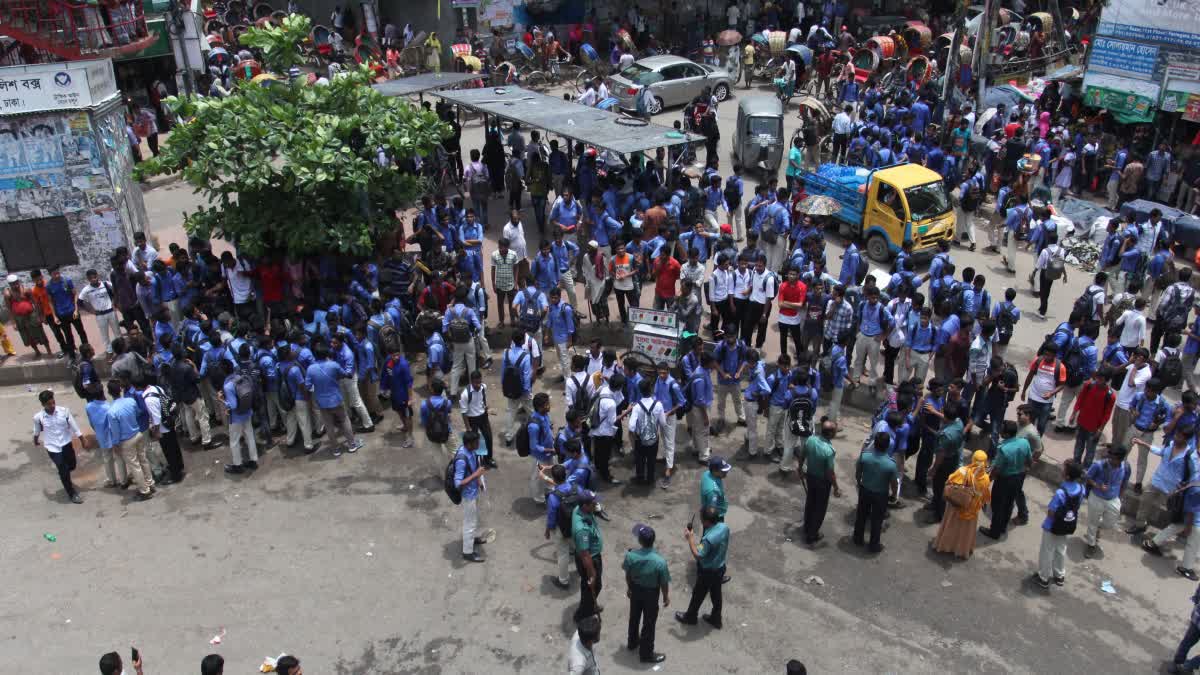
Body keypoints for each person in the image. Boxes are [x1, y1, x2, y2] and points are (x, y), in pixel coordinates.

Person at [1130, 427, 1198, 537]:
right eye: (1176, 434)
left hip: (1171, 489)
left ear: (1186, 439)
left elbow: (1194, 474)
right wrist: (1143, 443)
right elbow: (1161, 452)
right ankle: (1140, 525)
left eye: (1179, 437)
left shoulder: (1190, 455)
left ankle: (1163, 537)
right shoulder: (1171, 444)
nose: (1176, 437)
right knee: (1144, 503)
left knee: (1171, 513)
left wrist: (1184, 486)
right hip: (1156, 481)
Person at [1032, 460, 1085, 590]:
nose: (1062, 470)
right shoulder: (1081, 489)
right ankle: (1059, 575)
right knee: (1061, 549)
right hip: (1068, 524)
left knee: (1047, 550)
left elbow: (1051, 512)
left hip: (1052, 526)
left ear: (1067, 476)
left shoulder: (1060, 493)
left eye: (1064, 469)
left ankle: (1043, 577)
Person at [931, 449, 993, 560]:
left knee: (951, 526)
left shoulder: (963, 471)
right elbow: (984, 496)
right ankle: (961, 550)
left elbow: (949, 483)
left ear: (973, 459)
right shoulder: (986, 478)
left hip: (956, 507)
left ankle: (945, 546)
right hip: (972, 510)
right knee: (965, 532)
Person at [675, 505, 729, 629]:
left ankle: (691, 617)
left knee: (698, 594)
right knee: (716, 595)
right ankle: (716, 618)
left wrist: (690, 538)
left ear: (706, 521)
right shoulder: (724, 527)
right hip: (720, 567)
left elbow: (698, 555)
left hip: (708, 572)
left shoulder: (709, 539)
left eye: (701, 518)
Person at [622, 523, 669, 664]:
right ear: (653, 541)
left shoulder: (630, 556)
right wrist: (666, 596)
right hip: (651, 594)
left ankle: (632, 642)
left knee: (634, 617)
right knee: (649, 623)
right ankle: (646, 654)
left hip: (636, 590)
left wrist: (629, 587)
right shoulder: (660, 562)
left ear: (640, 541)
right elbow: (664, 582)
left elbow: (627, 574)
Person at [980, 420, 1032, 539]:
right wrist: (1022, 470)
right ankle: (1003, 527)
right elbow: (1029, 461)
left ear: (1007, 434)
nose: (1000, 431)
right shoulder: (1024, 442)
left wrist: (987, 481)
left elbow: (997, 469)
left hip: (1004, 480)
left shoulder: (1004, 449)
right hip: (1018, 478)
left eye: (1002, 430)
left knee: (998, 506)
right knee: (1009, 504)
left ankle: (994, 532)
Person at [32, 389, 85, 504]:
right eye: (49, 404)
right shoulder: (38, 417)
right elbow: (36, 431)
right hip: (53, 448)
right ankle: (71, 493)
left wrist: (82, 438)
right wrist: (35, 441)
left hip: (66, 443)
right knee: (63, 470)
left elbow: (74, 425)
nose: (52, 406)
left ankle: (64, 473)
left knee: (72, 465)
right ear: (43, 404)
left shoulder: (64, 411)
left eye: (53, 402)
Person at [106, 379, 154, 500]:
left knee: (135, 466)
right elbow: (138, 413)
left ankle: (144, 491)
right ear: (120, 389)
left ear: (110, 393)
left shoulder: (112, 412)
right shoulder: (131, 401)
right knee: (143, 460)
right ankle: (150, 483)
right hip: (138, 434)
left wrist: (115, 445)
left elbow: (115, 432)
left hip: (126, 441)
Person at [798, 418, 841, 544]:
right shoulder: (829, 451)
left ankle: (807, 527)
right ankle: (812, 535)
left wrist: (800, 468)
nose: (836, 433)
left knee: (810, 502)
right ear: (831, 434)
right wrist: (836, 487)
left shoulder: (811, 440)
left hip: (810, 477)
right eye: (835, 431)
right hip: (822, 483)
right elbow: (830, 473)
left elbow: (802, 454)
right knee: (819, 508)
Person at [1083, 445, 1130, 559]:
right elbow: (1087, 477)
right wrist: (1097, 486)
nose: (1111, 460)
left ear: (1121, 459)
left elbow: (1124, 482)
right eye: (1110, 456)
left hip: (1113, 499)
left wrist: (1121, 497)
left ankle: (1094, 530)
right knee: (1092, 522)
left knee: (1109, 523)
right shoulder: (1099, 465)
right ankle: (1091, 544)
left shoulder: (1126, 467)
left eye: (1114, 458)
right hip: (1097, 497)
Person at [854, 432, 897, 553]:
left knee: (861, 515)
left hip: (865, 490)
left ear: (875, 443)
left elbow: (858, 472)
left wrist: (859, 483)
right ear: (888, 445)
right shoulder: (891, 464)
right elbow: (894, 483)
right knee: (877, 520)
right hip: (880, 495)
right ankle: (874, 545)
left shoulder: (865, 456)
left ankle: (857, 538)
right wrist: (893, 495)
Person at [454, 430, 489, 563]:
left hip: (474, 490)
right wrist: (477, 475)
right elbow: (458, 483)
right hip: (468, 495)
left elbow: (473, 468)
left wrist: (479, 480)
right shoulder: (462, 459)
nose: (478, 444)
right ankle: (467, 552)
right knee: (470, 522)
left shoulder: (471, 451)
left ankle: (472, 538)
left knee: (474, 519)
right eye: (476, 442)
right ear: (469, 444)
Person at [1070, 370, 1116, 466]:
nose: (1098, 380)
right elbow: (1080, 400)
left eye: (1101, 379)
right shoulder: (1088, 385)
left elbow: (1107, 415)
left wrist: (1100, 430)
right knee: (1078, 445)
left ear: (1106, 380)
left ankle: (1086, 469)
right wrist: (1073, 414)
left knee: (1090, 450)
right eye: (1097, 377)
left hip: (1094, 428)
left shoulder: (1110, 395)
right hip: (1081, 422)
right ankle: (1075, 464)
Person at [627, 378, 668, 486]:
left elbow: (631, 427)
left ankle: (640, 478)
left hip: (640, 439)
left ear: (640, 391)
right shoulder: (658, 405)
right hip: (654, 438)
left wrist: (635, 432)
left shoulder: (636, 407)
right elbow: (663, 423)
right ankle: (650, 478)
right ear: (651, 390)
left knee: (640, 460)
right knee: (651, 460)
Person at [572, 489, 604, 621]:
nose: (596, 504)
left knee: (594, 586)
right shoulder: (582, 530)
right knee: (592, 586)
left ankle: (589, 606)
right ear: (585, 505)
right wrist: (592, 574)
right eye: (593, 503)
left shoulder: (579, 508)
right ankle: (583, 614)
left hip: (592, 556)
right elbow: (585, 555)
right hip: (590, 560)